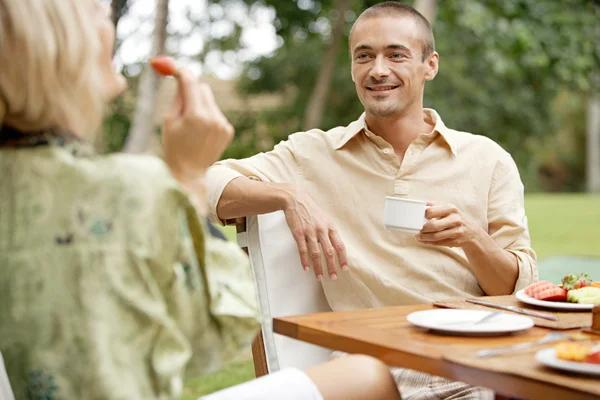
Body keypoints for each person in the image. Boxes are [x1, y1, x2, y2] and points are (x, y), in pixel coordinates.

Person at [0, 1, 402, 400]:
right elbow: (218, 334)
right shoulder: (117, 190)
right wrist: (189, 176)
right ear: (61, 45)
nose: (114, 33)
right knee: (369, 376)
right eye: (103, 18)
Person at [205, 1, 537, 399]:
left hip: (480, 354)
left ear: (429, 65)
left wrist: (471, 238)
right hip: (377, 363)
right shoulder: (315, 154)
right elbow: (206, 183)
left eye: (396, 54)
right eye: (364, 56)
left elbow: (517, 290)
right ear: (352, 69)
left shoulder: (488, 159)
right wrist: (289, 195)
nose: (378, 70)